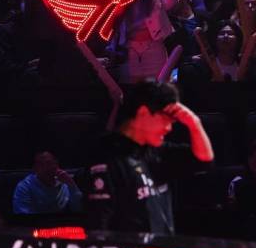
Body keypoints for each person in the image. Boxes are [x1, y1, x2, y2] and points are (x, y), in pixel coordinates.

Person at [85, 81, 213, 233]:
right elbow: (99, 226)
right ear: (143, 113)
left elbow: (204, 161)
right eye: (166, 120)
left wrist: (194, 122)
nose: (169, 128)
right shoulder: (107, 155)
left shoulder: (158, 150)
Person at [107, 0, 178, 83]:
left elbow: (170, 2)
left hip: (154, 50)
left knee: (157, 92)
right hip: (130, 51)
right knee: (134, 94)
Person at [12, 151, 83, 214]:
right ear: (35, 168)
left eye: (49, 163)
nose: (46, 168)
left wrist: (71, 185)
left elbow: (78, 208)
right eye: (41, 165)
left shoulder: (64, 182)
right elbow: (23, 214)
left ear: (56, 164)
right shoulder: (25, 187)